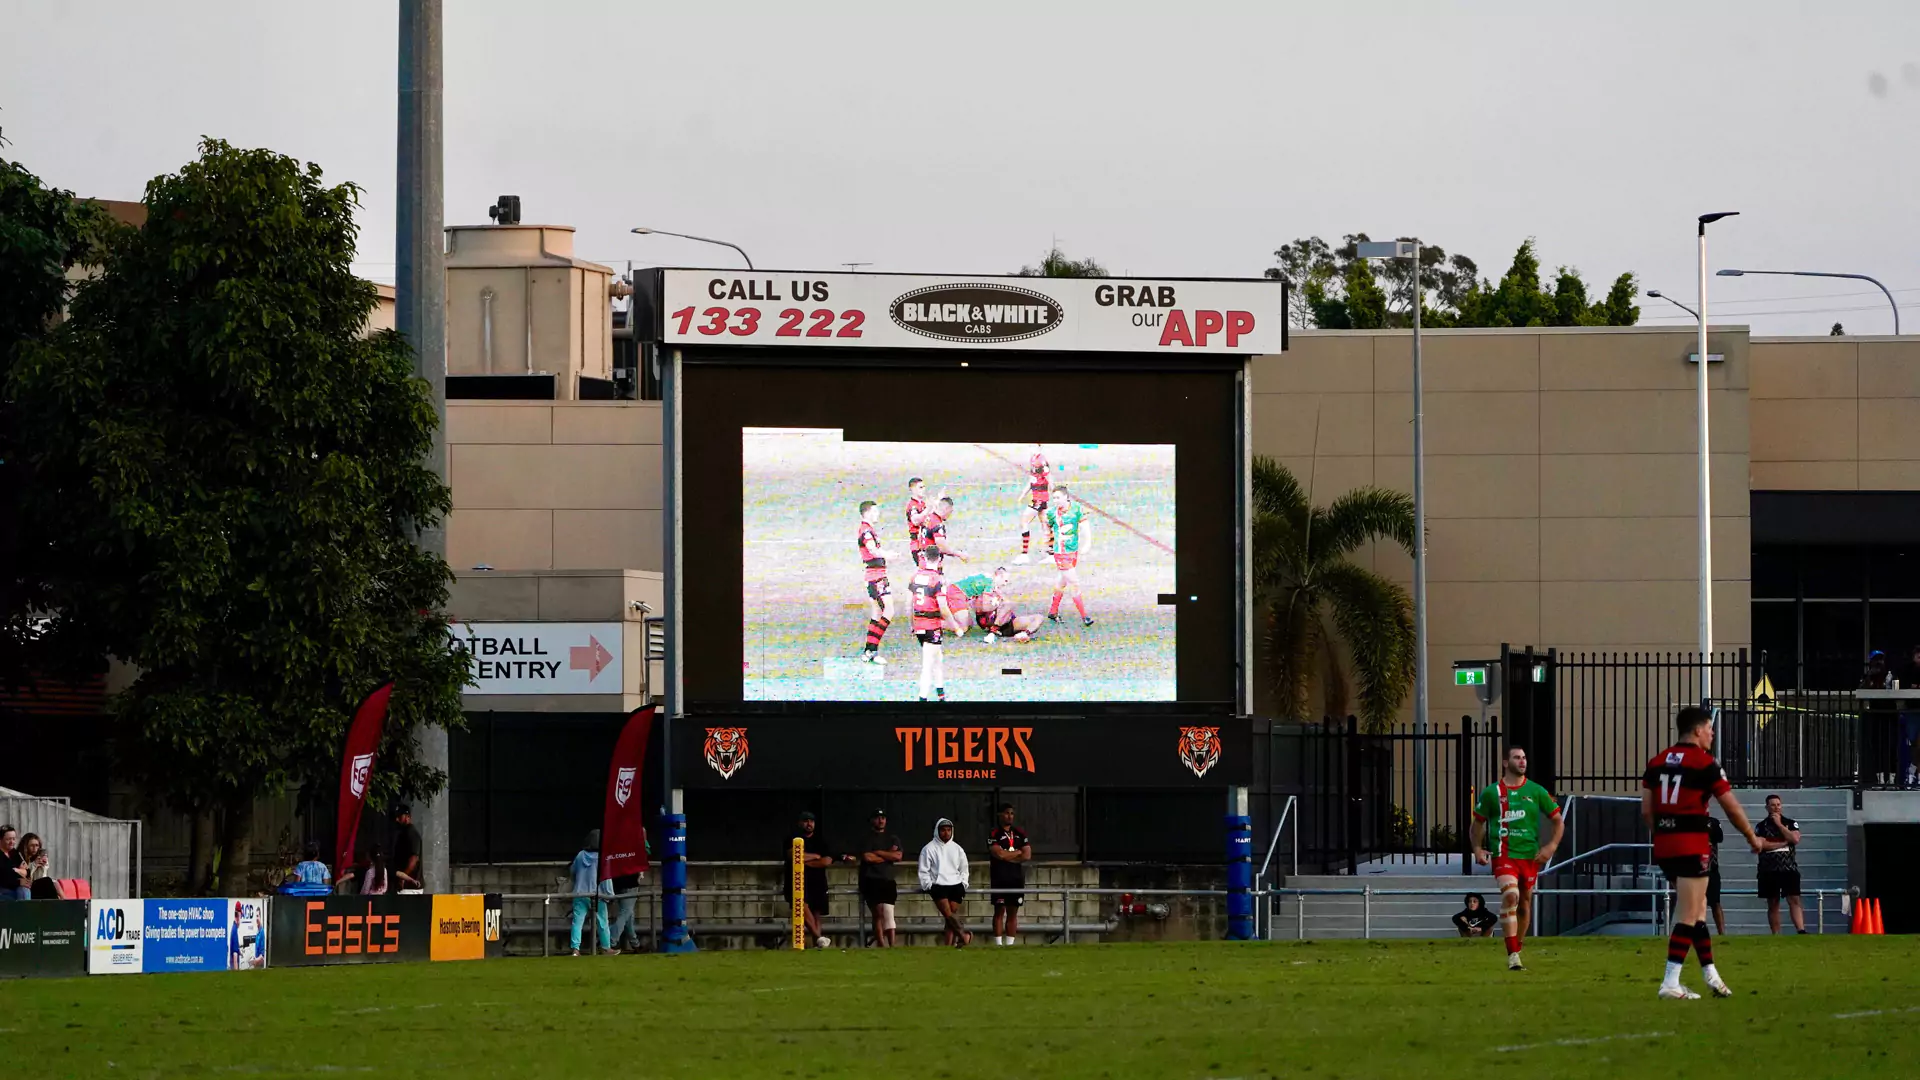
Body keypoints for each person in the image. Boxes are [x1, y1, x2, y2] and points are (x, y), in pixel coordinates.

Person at [1643, 705, 1764, 1000]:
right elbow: (1730, 806)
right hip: (1692, 843)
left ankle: (1711, 975)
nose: (1712, 734)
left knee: (1697, 912)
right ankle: (1670, 982)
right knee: (1688, 913)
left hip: (1665, 844)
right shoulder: (1704, 762)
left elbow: (1647, 810)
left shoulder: (1657, 762)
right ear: (1698, 730)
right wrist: (1752, 836)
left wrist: (1663, 834)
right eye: (1710, 728)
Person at [1470, 746, 1563, 971]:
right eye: (1516, 757)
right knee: (1511, 895)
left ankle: (1517, 948)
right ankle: (1513, 955)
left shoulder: (1536, 790)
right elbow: (1478, 823)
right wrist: (1477, 848)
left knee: (1524, 903)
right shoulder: (1492, 792)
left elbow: (1558, 821)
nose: (1522, 761)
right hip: (1504, 854)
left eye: (1524, 758)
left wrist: (1550, 846)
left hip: (1529, 856)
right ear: (1505, 762)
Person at [789, 811, 846, 948]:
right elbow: (794, 856)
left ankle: (818, 944)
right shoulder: (792, 838)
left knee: (817, 912)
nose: (809, 824)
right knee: (802, 906)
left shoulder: (821, 841)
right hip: (799, 880)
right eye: (806, 821)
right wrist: (815, 856)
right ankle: (819, 937)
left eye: (811, 821)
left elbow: (826, 861)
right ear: (800, 823)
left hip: (818, 880)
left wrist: (806, 860)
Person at [1755, 794, 1807, 934]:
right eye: (1772, 805)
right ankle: (1776, 934)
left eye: (1778, 804)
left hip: (1788, 868)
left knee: (1794, 899)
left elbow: (1794, 838)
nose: (1776, 807)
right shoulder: (1761, 826)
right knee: (1773, 903)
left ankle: (1801, 930)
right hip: (1768, 870)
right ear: (1767, 807)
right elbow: (1761, 845)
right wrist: (1783, 842)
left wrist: (1779, 825)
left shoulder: (1790, 823)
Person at [917, 817, 971, 947]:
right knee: (948, 914)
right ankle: (964, 935)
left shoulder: (958, 849)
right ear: (937, 831)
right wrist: (928, 885)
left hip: (956, 885)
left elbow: (964, 868)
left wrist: (964, 883)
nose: (946, 833)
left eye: (948, 830)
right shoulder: (928, 849)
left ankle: (949, 945)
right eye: (943, 830)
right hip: (938, 886)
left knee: (950, 919)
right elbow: (923, 870)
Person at [1044, 492, 1093, 628]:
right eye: (1054, 498)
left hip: (1073, 551)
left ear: (1066, 497)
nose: (1056, 501)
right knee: (1074, 583)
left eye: (1058, 497)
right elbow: (1047, 527)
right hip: (1061, 553)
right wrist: (1049, 543)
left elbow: (1085, 525)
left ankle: (1053, 612)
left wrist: (1087, 543)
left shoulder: (1076, 509)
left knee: (1062, 581)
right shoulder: (1052, 513)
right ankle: (1085, 616)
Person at [857, 499, 896, 664]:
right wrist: (887, 554)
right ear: (867, 513)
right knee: (889, 611)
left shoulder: (868, 529)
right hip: (876, 577)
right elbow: (872, 550)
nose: (877, 514)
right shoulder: (866, 531)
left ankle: (869, 651)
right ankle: (872, 649)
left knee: (877, 613)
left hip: (874, 576)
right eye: (875, 511)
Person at [857, 809, 903, 948]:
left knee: (889, 911)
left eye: (883, 817)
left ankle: (892, 945)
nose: (881, 820)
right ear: (872, 820)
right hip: (870, 879)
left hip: (887, 879)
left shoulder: (892, 838)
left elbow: (898, 856)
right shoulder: (867, 838)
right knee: (878, 912)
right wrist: (888, 855)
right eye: (878, 818)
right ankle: (881, 945)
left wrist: (878, 853)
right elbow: (867, 857)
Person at [987, 803, 1031, 945]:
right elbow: (999, 854)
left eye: (1012, 813)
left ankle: (1010, 944)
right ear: (1000, 815)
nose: (1009, 816)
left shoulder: (1020, 833)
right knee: (999, 911)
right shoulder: (994, 833)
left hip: (1015, 877)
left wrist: (1009, 855)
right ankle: (998, 944)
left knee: (1013, 912)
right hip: (999, 877)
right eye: (1006, 813)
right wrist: (1017, 852)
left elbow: (1027, 855)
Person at [568, 829, 611, 955]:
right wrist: (610, 895)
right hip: (597, 895)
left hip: (580, 893)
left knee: (577, 922)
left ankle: (575, 949)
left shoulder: (580, 855)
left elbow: (572, 871)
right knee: (602, 922)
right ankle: (606, 947)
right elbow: (606, 878)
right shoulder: (603, 858)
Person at [1014, 443, 1054, 564]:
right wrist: (1023, 494)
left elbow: (1049, 479)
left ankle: (1024, 554)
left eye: (1033, 446)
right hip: (1037, 498)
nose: (1030, 448)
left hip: (1040, 499)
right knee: (1045, 525)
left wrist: (1056, 495)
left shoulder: (1041, 461)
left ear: (1039, 447)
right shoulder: (1033, 460)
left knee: (1024, 521)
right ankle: (1051, 555)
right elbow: (1032, 480)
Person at [1899, 644, 1920, 788]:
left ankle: (1913, 770)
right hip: (1912, 710)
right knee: (1913, 743)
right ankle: (1913, 771)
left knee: (1919, 742)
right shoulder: (1907, 669)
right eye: (1918, 654)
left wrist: (1915, 686)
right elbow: (1903, 685)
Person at [391, 805, 423, 892]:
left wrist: (403, 877)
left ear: (408, 817)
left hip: (409, 887)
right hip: (404, 886)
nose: (397, 820)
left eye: (400, 816)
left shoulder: (411, 834)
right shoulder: (403, 833)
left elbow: (414, 859)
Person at [1705, 815, 1726, 935]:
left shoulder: (1713, 821)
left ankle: (1722, 932)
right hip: (1693, 869)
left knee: (1715, 902)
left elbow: (1719, 837)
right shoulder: (1688, 820)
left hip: (1711, 868)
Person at [0, 827, 27, 900]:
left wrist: (16, 870)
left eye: (14, 839)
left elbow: (27, 871)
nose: (12, 842)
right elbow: (3, 876)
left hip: (16, 887)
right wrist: (18, 880)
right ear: (0, 839)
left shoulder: (14, 853)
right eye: (8, 839)